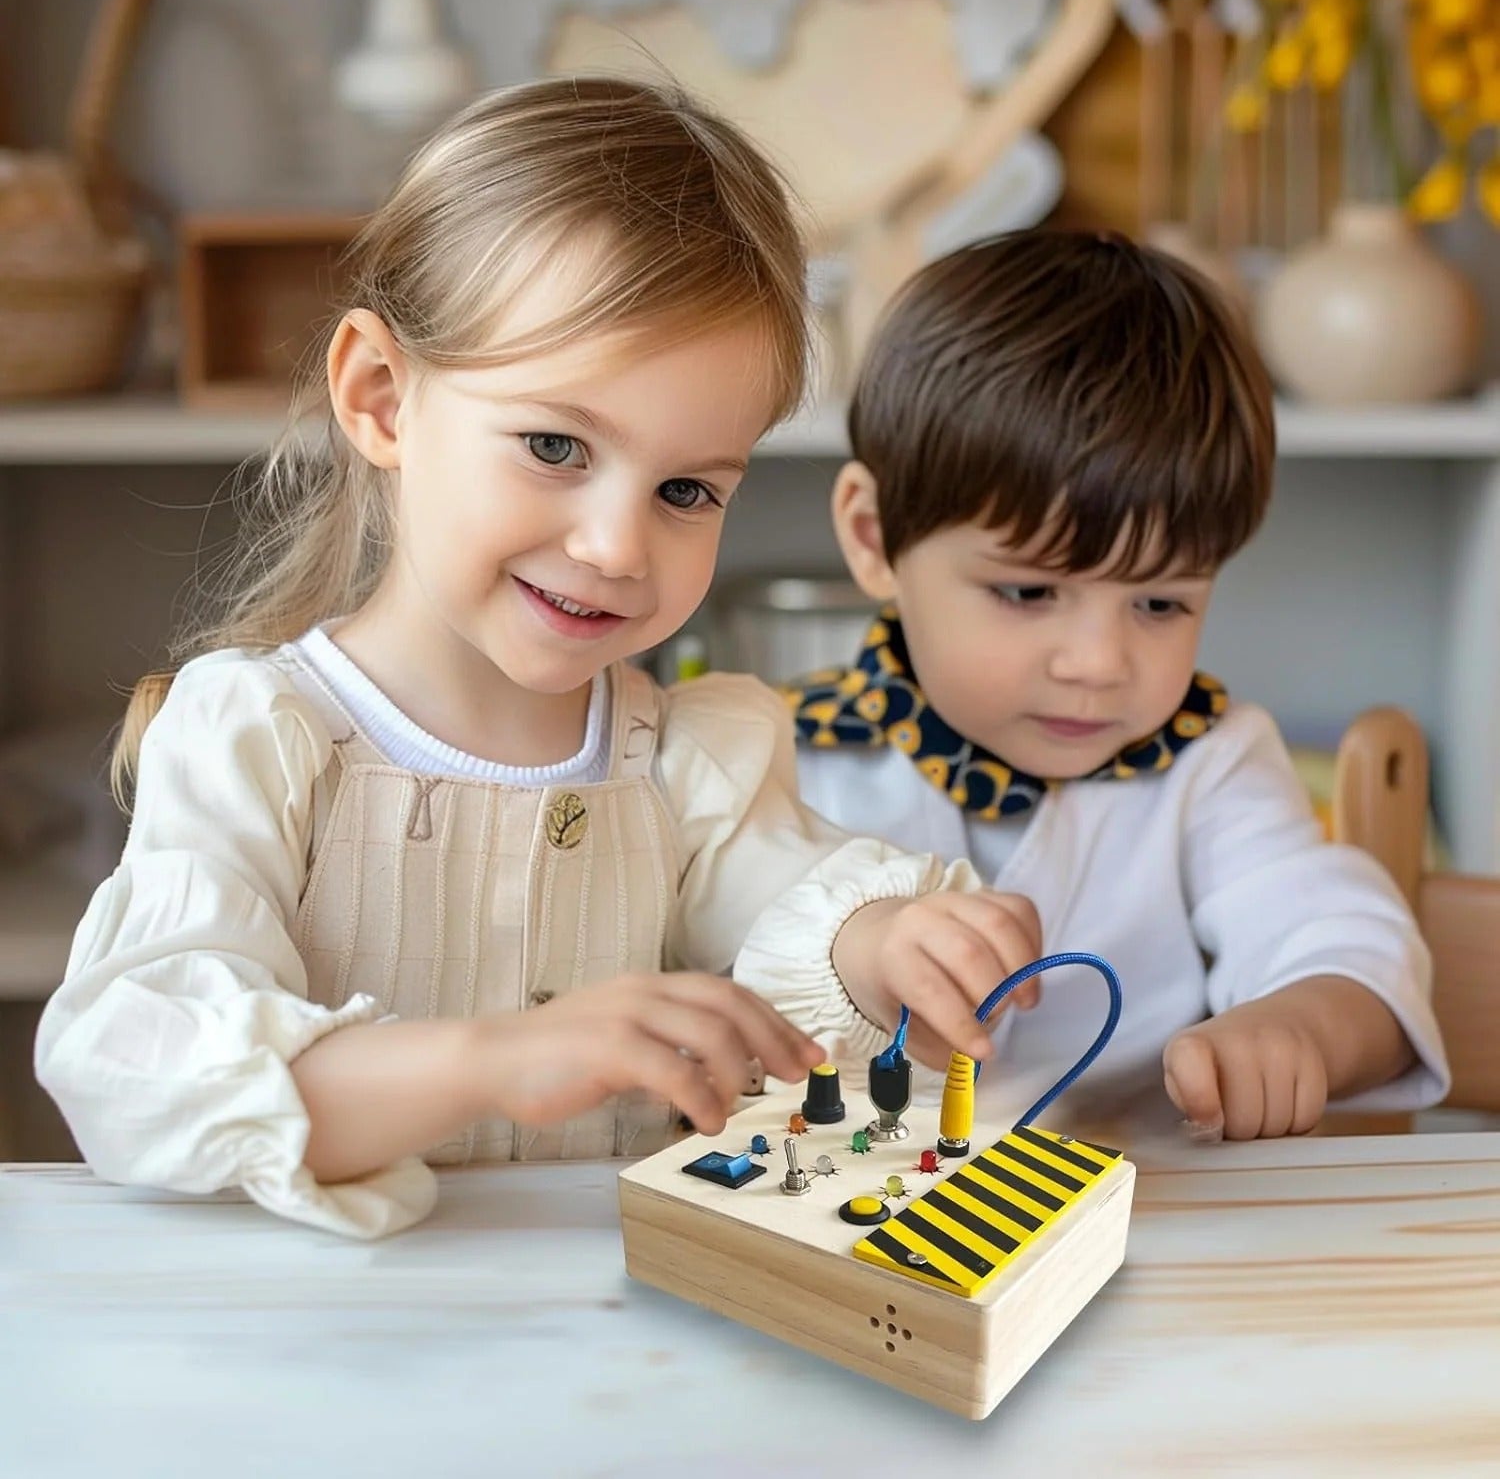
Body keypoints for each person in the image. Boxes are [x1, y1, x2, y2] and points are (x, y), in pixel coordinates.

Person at [34, 79, 1043, 1239]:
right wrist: (485, 1063)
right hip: (324, 1360)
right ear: (381, 399)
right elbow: (130, 1062)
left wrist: (884, 949)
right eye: (555, 445)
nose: (617, 546)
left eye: (686, 490)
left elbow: (785, 914)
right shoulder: (260, 740)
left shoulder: (692, 760)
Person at [785, 230, 1449, 1140]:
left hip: (1151, 1232)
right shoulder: (786, 759)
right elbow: (720, 985)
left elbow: (1334, 934)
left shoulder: (1208, 761)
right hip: (843, 1243)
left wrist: (1304, 1024)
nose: (1099, 663)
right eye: (1028, 591)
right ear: (872, 537)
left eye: (1162, 604)